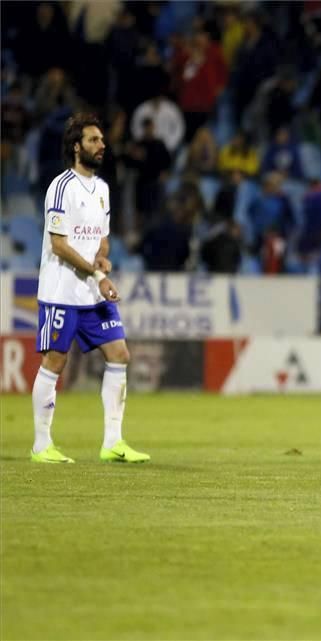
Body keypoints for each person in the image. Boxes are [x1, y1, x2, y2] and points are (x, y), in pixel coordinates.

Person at [30, 113, 150, 464]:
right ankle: (41, 445)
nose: (103, 145)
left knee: (120, 354)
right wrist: (101, 276)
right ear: (76, 146)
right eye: (94, 140)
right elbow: (59, 245)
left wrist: (103, 259)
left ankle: (113, 442)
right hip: (61, 292)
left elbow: (102, 239)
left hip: (92, 293)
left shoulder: (102, 189)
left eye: (102, 139)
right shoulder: (61, 186)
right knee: (55, 360)